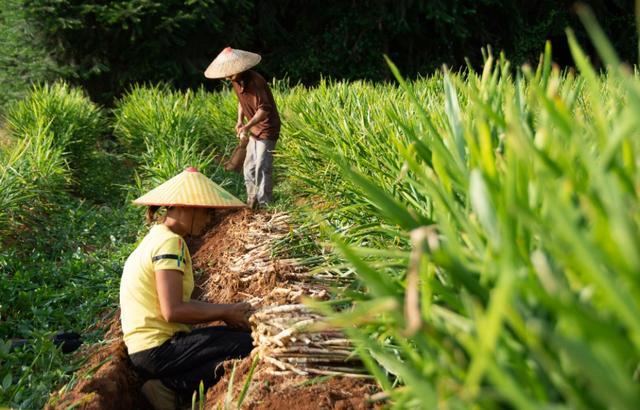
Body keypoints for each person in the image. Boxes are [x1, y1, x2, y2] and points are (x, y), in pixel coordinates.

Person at [120, 167, 253, 410]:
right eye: (207, 212)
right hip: (157, 350)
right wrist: (226, 311)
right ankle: (171, 387)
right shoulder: (171, 242)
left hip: (146, 350)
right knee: (246, 345)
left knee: (230, 340)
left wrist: (225, 312)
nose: (209, 219)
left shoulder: (155, 238)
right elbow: (173, 310)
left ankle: (171, 385)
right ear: (187, 207)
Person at [205, 47, 281, 209]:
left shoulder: (256, 81)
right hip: (253, 129)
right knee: (249, 167)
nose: (228, 77)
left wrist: (247, 125)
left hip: (267, 129)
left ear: (240, 68)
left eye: (231, 73)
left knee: (262, 165)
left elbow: (264, 109)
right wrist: (239, 120)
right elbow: (242, 101)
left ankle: (265, 204)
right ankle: (251, 201)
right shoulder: (235, 81)